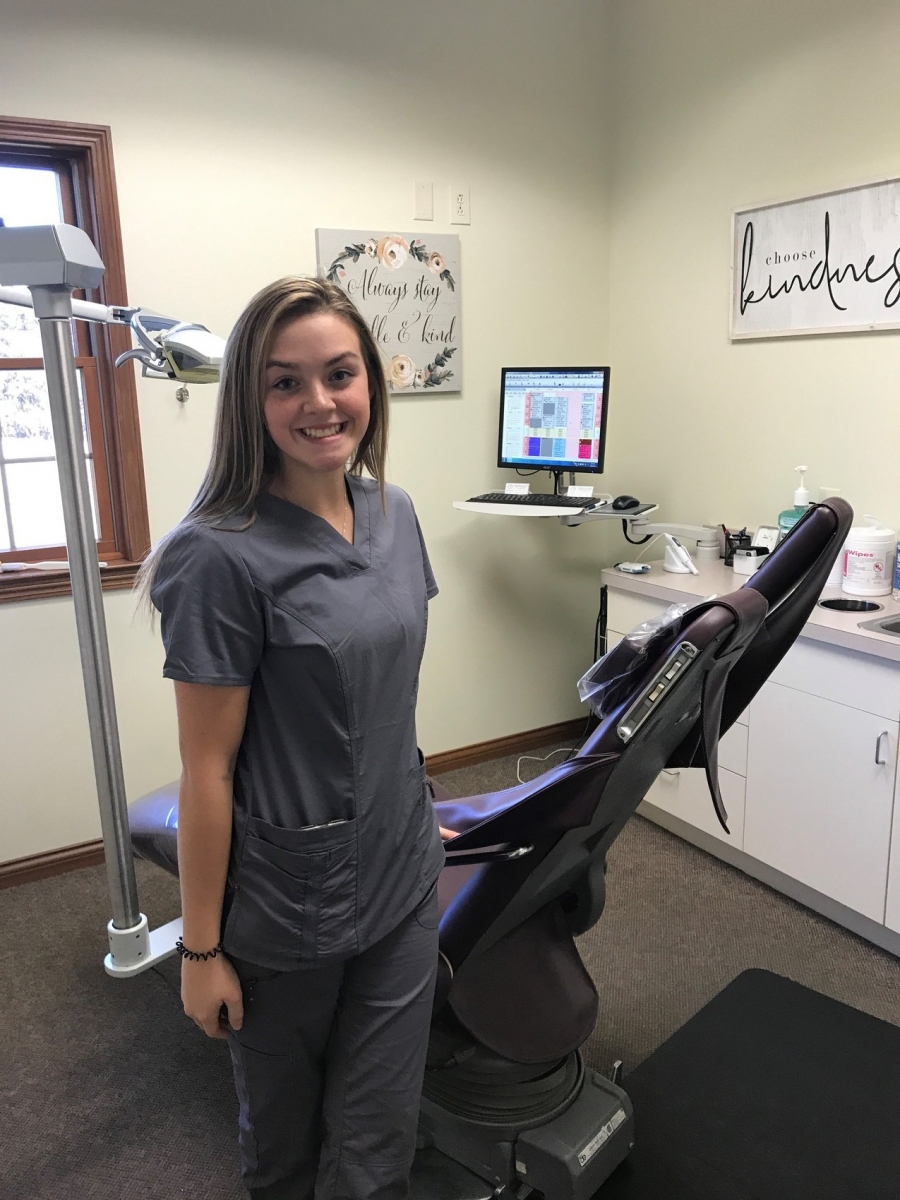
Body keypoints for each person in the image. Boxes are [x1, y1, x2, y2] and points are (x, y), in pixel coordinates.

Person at [139, 277, 450, 1199]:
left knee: (379, 1142)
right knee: (283, 1148)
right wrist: (200, 951)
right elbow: (207, 767)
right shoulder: (217, 554)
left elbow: (390, 695)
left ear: (370, 384)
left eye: (338, 374)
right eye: (285, 383)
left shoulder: (395, 514)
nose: (319, 403)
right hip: (288, 911)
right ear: (251, 400)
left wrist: (417, 809)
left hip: (402, 873)